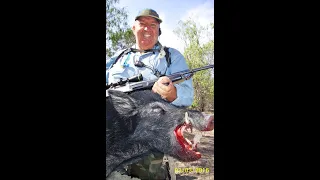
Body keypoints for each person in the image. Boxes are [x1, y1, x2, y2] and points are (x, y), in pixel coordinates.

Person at [106, 8, 194, 179]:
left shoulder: (171, 57)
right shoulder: (116, 58)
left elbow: (188, 94)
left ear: (158, 30)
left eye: (152, 25)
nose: (147, 29)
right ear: (133, 28)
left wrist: (172, 93)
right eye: (142, 24)